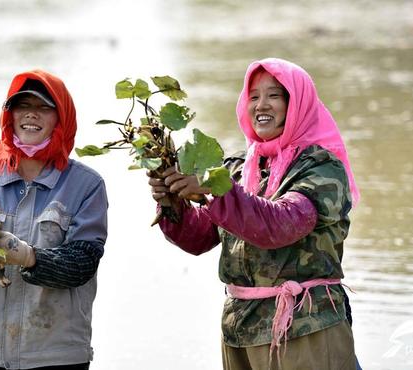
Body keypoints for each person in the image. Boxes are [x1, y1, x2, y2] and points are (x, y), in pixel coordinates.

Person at [148, 58, 360, 370]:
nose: (261, 105)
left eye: (274, 95)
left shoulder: (321, 167)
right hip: (239, 331)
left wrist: (210, 191)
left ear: (297, 104)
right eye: (253, 96)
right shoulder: (236, 167)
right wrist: (173, 201)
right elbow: (199, 238)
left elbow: (283, 224)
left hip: (305, 327)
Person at [0, 69, 108, 370]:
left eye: (43, 108)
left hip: (56, 355)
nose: (31, 115)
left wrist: (26, 256)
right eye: (23, 106)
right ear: (9, 116)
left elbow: (83, 264)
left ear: (61, 118)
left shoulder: (85, 185)